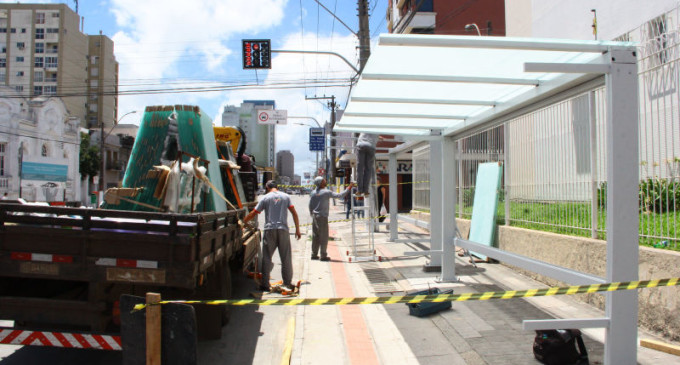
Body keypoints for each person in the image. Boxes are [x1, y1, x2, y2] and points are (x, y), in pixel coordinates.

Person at [243, 180, 301, 291]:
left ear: (267, 187)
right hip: (283, 230)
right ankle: (287, 283)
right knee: (286, 257)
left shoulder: (265, 198)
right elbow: (294, 213)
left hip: (269, 230)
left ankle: (265, 284)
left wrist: (243, 221)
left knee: (267, 257)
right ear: (277, 187)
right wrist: (297, 230)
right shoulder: (286, 197)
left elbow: (254, 212)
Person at [309, 177, 353, 261]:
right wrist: (349, 187)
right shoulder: (326, 192)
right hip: (322, 217)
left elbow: (310, 205)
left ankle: (314, 254)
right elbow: (340, 195)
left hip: (315, 216)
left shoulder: (313, 193)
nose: (325, 181)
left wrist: (312, 214)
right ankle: (323, 255)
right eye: (324, 180)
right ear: (321, 183)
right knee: (324, 236)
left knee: (315, 236)